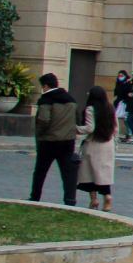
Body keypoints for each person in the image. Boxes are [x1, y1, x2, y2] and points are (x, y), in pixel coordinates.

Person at [29, 73, 79, 206]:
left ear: (45, 86)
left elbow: (44, 120)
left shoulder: (46, 100)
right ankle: (69, 199)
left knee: (40, 171)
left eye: (42, 87)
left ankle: (35, 197)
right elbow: (77, 118)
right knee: (67, 172)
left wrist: (40, 134)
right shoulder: (71, 100)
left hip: (48, 141)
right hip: (68, 141)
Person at [76, 85, 117, 211]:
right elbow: (115, 128)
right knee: (104, 174)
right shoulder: (110, 108)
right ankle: (107, 197)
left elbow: (90, 128)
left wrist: (76, 128)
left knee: (89, 173)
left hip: (94, 143)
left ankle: (93, 200)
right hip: (108, 144)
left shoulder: (90, 109)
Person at [112, 70, 133, 141]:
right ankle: (115, 133)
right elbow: (116, 93)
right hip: (119, 102)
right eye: (119, 76)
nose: (120, 77)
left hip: (126, 103)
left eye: (121, 76)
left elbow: (128, 92)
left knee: (126, 119)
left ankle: (129, 134)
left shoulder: (128, 83)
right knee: (115, 117)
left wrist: (127, 83)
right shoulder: (118, 83)